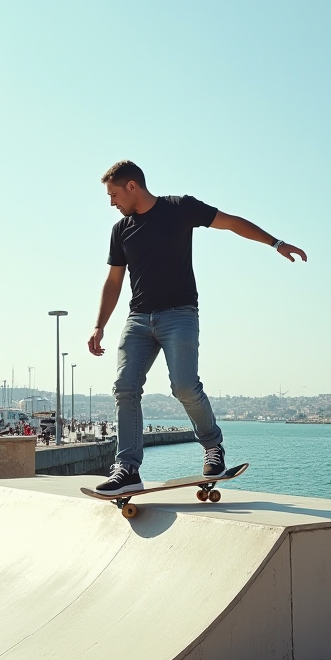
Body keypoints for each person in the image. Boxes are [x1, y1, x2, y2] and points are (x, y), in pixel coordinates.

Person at [88, 160, 306, 494]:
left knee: (184, 387)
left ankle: (213, 447)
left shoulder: (179, 208)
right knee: (124, 387)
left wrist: (276, 243)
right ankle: (127, 468)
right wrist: (99, 325)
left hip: (180, 315)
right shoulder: (121, 231)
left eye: (113, 194)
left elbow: (231, 223)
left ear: (132, 186)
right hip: (138, 319)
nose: (111, 203)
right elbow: (114, 280)